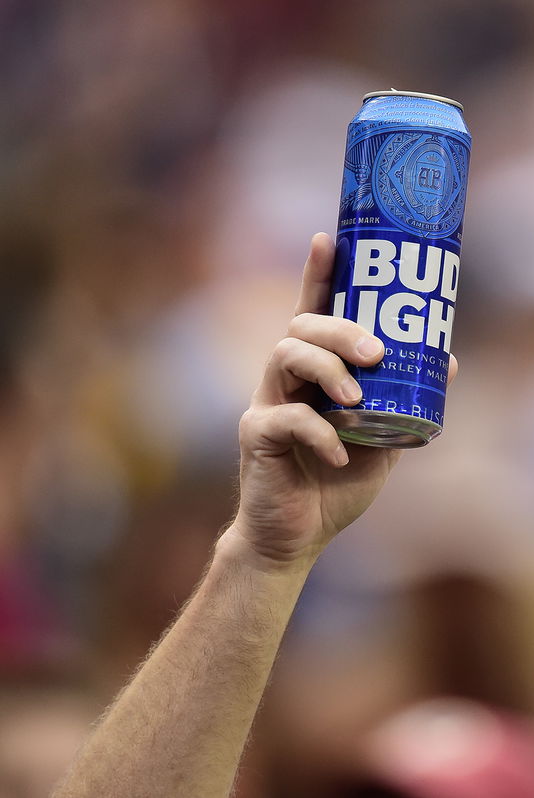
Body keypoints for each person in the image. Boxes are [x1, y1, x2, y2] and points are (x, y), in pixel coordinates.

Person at [51, 234, 457, 798]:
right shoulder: (56, 688)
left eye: (211, 538)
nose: (184, 576)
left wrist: (273, 558)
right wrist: (259, 557)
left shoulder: (314, 737)